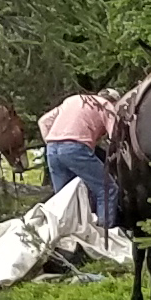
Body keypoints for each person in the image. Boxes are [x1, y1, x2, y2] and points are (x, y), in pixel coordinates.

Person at [36, 83, 122, 232]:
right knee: (107, 189)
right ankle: (104, 234)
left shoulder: (74, 100)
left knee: (64, 199)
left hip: (51, 149)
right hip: (75, 148)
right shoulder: (106, 105)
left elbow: (43, 121)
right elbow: (114, 136)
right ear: (114, 102)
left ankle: (62, 237)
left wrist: (52, 141)